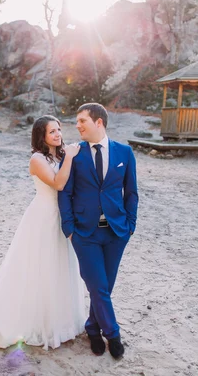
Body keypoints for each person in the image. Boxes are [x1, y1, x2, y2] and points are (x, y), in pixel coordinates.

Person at [0, 115, 86, 349]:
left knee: (60, 265)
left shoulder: (61, 155)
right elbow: (59, 184)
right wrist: (71, 157)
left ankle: (60, 320)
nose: (58, 134)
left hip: (64, 217)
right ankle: (35, 321)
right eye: (52, 131)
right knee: (39, 266)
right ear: (41, 135)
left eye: (59, 129)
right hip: (43, 217)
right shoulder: (37, 159)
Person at [58, 103, 139, 359]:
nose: (78, 125)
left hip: (117, 232)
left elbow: (132, 193)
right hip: (85, 233)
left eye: (82, 121)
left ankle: (93, 327)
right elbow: (65, 193)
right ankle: (112, 335)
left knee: (103, 288)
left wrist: (130, 226)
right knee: (98, 286)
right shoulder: (73, 154)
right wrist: (69, 228)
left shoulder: (125, 153)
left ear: (99, 122)